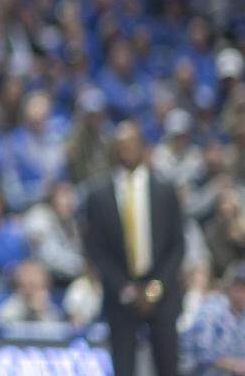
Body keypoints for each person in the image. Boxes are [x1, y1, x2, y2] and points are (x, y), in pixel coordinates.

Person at [82, 121, 184, 376]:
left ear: (143, 147)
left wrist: (156, 287)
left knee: (167, 365)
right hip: (120, 294)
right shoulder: (97, 194)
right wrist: (125, 288)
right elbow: (96, 249)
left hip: (162, 291)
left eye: (132, 143)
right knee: (123, 367)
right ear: (114, 149)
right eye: (121, 144)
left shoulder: (165, 190)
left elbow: (177, 245)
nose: (127, 149)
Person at [184, 261, 245, 376]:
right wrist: (236, 365)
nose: (241, 294)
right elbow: (203, 354)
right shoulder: (211, 310)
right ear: (229, 287)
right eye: (238, 287)